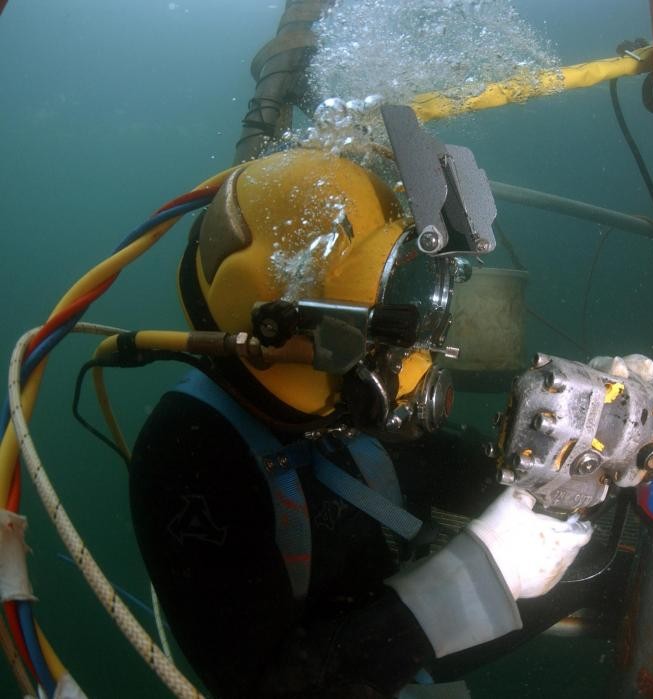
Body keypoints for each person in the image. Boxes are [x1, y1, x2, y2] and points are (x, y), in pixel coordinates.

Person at [128, 147, 595, 698]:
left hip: (397, 645)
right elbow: (268, 686)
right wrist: (466, 582)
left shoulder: (344, 400)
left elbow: (472, 478)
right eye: (394, 314)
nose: (416, 357)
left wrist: (584, 436)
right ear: (287, 328)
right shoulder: (189, 456)